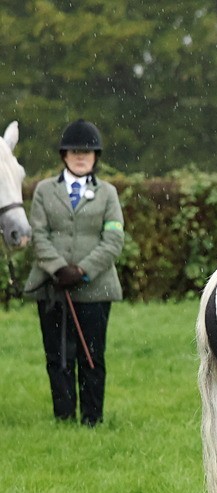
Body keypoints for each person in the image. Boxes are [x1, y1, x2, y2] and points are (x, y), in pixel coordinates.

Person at [24, 119, 124, 426]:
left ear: (96, 157)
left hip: (95, 288)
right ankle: (63, 416)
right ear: (64, 155)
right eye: (74, 151)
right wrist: (58, 268)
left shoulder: (107, 193)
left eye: (88, 151)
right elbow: (38, 235)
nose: (81, 156)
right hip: (52, 287)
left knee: (91, 357)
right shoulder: (44, 191)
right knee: (58, 356)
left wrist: (82, 270)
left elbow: (113, 239)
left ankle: (92, 419)